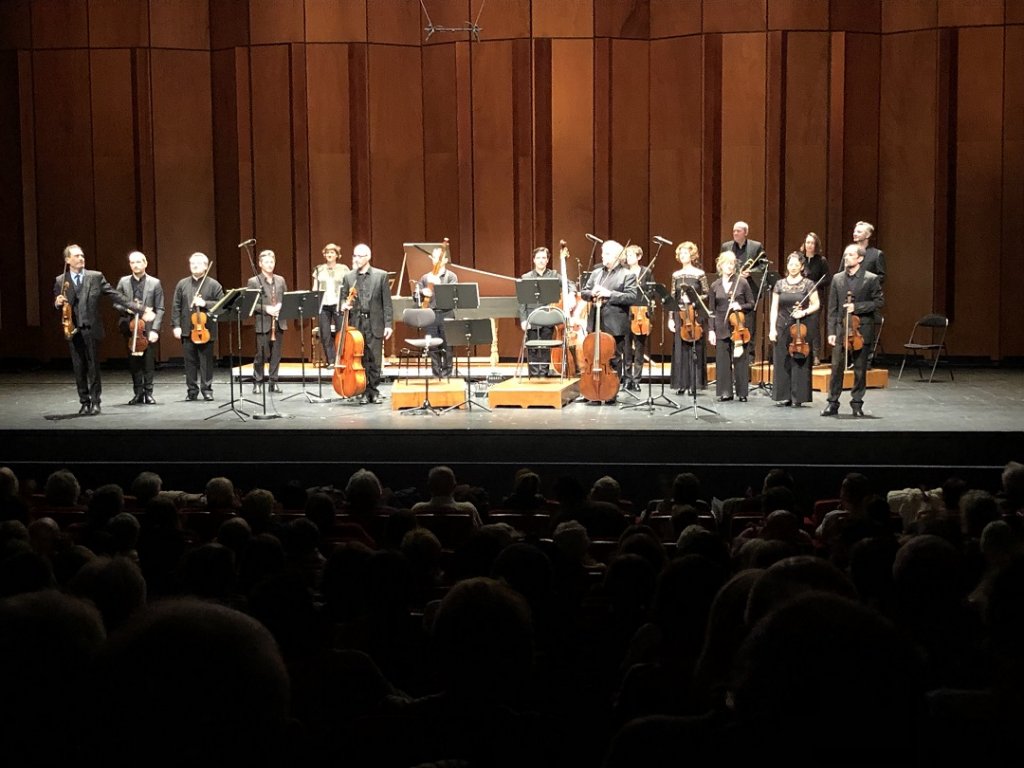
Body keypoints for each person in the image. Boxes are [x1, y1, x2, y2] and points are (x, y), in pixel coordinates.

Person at [53, 244, 130, 415]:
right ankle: (84, 401)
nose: (81, 258)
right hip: (72, 329)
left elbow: (114, 294)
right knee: (78, 367)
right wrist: (57, 302)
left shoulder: (95, 277)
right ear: (67, 260)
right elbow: (58, 301)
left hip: (91, 328)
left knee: (93, 366)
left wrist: (138, 308)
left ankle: (96, 402)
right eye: (76, 256)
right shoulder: (61, 280)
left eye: (82, 255)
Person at [821, 244, 884, 417]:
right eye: (845, 254)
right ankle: (832, 403)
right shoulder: (837, 278)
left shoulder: (871, 278)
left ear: (860, 258)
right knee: (836, 368)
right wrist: (831, 332)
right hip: (841, 331)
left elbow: (878, 303)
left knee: (859, 368)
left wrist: (856, 307)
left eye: (850, 254)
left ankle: (857, 403)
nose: (846, 257)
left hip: (861, 330)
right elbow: (832, 308)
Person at [580, 239, 638, 401]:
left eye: (606, 253)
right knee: (593, 356)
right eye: (603, 253)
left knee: (613, 359)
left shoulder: (627, 274)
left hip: (615, 324)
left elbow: (632, 297)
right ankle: (592, 389)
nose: (603, 256)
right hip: (595, 321)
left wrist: (609, 294)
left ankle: (610, 392)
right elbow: (584, 292)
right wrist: (592, 294)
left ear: (616, 256)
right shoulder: (596, 273)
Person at [339, 243, 393, 405]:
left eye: (360, 256)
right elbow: (342, 298)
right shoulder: (349, 277)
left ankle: (373, 390)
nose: (357, 259)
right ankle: (362, 390)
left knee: (375, 358)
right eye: (355, 255)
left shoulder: (381, 276)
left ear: (368, 257)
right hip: (356, 323)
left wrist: (388, 324)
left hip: (375, 322)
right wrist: (344, 305)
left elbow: (387, 303)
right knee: (359, 359)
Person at [171, 252, 224, 402]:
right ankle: (192, 390)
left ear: (206, 266)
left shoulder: (214, 284)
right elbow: (176, 306)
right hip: (188, 328)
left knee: (206, 362)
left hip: (206, 330)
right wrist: (176, 325)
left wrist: (205, 304)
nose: (194, 265)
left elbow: (222, 305)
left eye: (198, 263)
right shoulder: (182, 284)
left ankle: (207, 390)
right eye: (192, 263)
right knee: (190, 362)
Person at [768, 252, 819, 407]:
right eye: (791, 264)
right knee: (782, 360)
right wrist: (772, 329)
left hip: (801, 327)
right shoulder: (779, 284)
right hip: (782, 325)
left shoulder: (808, 284)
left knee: (799, 361)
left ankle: (798, 396)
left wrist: (803, 312)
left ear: (802, 266)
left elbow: (816, 304)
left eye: (797, 265)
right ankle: (785, 395)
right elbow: (774, 308)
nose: (793, 267)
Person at [115, 251, 164, 405]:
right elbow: (116, 303)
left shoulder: (155, 283)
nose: (135, 265)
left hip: (147, 328)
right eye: (132, 262)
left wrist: (155, 329)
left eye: (138, 262)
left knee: (148, 362)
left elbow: (160, 308)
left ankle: (148, 393)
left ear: (145, 263)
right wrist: (129, 309)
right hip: (129, 328)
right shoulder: (123, 282)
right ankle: (138, 393)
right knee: (134, 363)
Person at [707, 251, 754, 402]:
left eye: (732, 264)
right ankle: (725, 391)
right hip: (721, 325)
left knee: (740, 359)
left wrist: (739, 306)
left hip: (738, 326)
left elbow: (751, 304)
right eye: (727, 263)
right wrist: (711, 330)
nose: (729, 266)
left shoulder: (742, 282)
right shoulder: (715, 285)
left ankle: (742, 392)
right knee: (722, 360)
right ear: (720, 265)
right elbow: (711, 311)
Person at [722, 221, 767, 362]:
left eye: (738, 231)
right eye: (734, 231)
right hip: (730, 289)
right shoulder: (726, 246)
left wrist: (751, 272)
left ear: (745, 233)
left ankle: (749, 358)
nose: (735, 233)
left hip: (748, 290)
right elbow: (721, 264)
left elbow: (764, 265)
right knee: (730, 322)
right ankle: (730, 355)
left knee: (748, 323)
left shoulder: (756, 246)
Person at [668, 241, 709, 395]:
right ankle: (681, 383)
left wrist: (693, 298)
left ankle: (694, 383)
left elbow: (706, 293)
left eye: (686, 253)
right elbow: (672, 296)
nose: (683, 255)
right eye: (681, 253)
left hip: (695, 313)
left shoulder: (699, 274)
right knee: (680, 348)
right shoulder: (675, 275)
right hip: (680, 314)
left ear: (692, 255)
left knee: (695, 347)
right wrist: (670, 318)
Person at [247, 250, 288, 393]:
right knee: (262, 354)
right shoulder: (253, 282)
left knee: (276, 354)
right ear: (260, 264)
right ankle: (257, 381)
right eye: (266, 262)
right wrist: (267, 309)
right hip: (263, 322)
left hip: (278, 322)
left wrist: (281, 306)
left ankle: (273, 381)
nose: (269, 265)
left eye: (272, 262)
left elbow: (285, 298)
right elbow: (251, 305)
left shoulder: (280, 280)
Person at [415, 244, 458, 377]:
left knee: (448, 345)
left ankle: (448, 374)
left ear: (445, 260)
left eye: (441, 258)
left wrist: (438, 284)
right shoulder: (425, 277)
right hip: (431, 315)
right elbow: (415, 295)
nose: (438, 261)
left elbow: (453, 294)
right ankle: (435, 373)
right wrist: (422, 292)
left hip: (446, 313)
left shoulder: (451, 277)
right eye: (435, 258)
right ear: (431, 259)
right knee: (432, 346)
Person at [517, 246, 559, 377]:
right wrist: (524, 320)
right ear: (534, 260)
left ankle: (544, 374)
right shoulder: (526, 277)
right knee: (533, 348)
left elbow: (569, 284)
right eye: (539, 258)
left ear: (547, 260)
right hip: (532, 317)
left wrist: (572, 292)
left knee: (546, 347)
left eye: (544, 258)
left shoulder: (554, 275)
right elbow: (521, 301)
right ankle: (534, 375)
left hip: (548, 317)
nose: (541, 260)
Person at [312, 243, 350, 366]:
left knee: (341, 333)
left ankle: (341, 359)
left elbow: (348, 286)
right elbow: (315, 287)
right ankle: (331, 361)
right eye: (327, 252)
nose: (329, 254)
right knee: (325, 333)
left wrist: (347, 301)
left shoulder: (343, 269)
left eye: (332, 252)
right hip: (323, 304)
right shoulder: (319, 269)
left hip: (338, 304)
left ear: (337, 255)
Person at [622, 244, 652, 391]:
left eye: (631, 255)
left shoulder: (646, 272)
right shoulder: (623, 272)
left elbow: (650, 292)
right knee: (626, 348)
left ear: (639, 257)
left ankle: (637, 379)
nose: (628, 258)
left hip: (640, 313)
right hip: (626, 312)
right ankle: (627, 378)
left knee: (640, 348)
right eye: (627, 255)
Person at [799, 231, 830, 363]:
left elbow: (828, 278)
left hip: (816, 296)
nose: (809, 245)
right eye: (808, 242)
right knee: (800, 324)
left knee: (814, 324)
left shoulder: (821, 260)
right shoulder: (799, 259)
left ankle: (816, 354)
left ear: (816, 245)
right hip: (800, 295)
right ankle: (801, 350)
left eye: (812, 243)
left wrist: (814, 285)